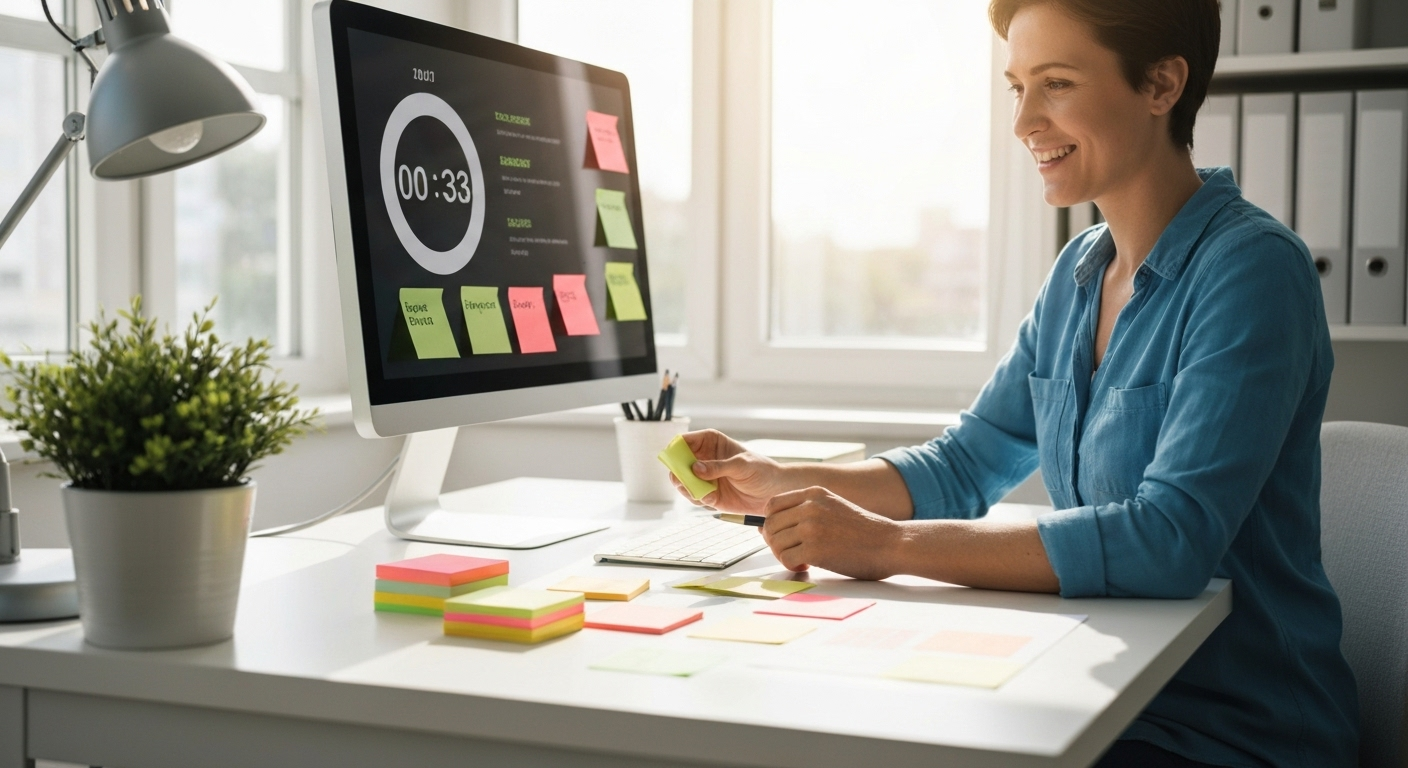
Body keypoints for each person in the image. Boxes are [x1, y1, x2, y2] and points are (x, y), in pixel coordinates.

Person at [672, 1, 1359, 765]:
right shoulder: (1079, 273)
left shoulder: (1253, 270)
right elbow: (967, 464)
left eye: (1057, 83)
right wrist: (776, 480)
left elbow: (1169, 540)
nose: (1024, 121)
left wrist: (888, 546)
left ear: (1162, 84)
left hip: (1231, 732)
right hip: (1103, 695)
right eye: (1017, 88)